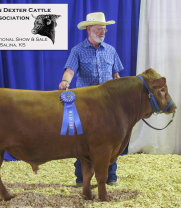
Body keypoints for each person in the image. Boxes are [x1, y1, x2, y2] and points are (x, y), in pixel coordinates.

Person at [59, 12, 124, 188]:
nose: (103, 32)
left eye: (104, 29)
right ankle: (81, 178)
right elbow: (70, 70)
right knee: (82, 140)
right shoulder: (77, 50)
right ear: (89, 29)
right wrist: (65, 81)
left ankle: (111, 177)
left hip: (109, 104)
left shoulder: (111, 50)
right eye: (99, 29)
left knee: (111, 140)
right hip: (85, 104)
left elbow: (116, 75)